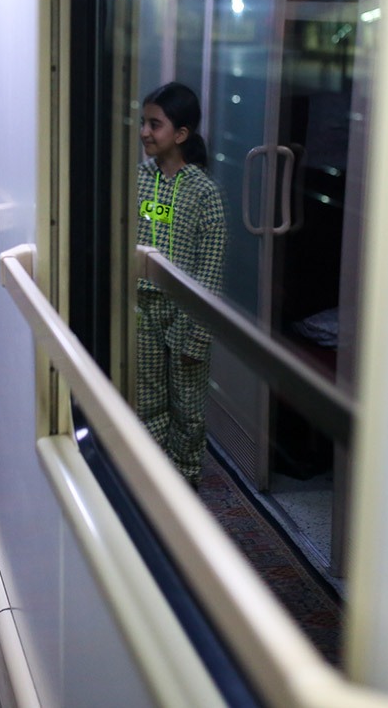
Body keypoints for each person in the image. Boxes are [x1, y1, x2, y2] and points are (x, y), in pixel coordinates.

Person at [136, 82, 226, 488]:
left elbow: (210, 270)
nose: (144, 132)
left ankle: (185, 479)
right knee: (147, 401)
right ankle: (156, 481)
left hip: (187, 314)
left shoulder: (203, 193)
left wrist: (199, 334)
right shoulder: (138, 180)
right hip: (142, 309)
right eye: (143, 123)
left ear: (181, 134)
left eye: (155, 124)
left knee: (187, 408)